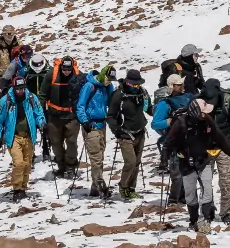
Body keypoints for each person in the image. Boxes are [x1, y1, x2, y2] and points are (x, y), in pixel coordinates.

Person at [163, 92, 230, 231]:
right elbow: (168, 143)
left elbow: (219, 138)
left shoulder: (207, 120)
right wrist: (164, 159)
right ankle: (193, 221)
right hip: (186, 164)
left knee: (207, 191)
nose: (206, 114)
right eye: (203, 112)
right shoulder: (180, 124)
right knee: (190, 196)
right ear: (195, 112)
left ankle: (205, 220)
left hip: (203, 161)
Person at [0, 72, 46, 200]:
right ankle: (16, 189)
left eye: (22, 88)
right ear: (14, 88)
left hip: (29, 136)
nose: (20, 91)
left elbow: (39, 113)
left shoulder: (32, 98)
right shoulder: (6, 100)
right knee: (19, 163)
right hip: (14, 137)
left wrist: (42, 124)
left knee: (27, 164)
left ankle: (23, 188)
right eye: (18, 89)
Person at [201, 77, 230, 222]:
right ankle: (208, 212)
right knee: (206, 184)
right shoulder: (198, 101)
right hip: (204, 148)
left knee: (225, 182)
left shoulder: (227, 100)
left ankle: (225, 213)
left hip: (224, 146)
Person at [76, 64, 117, 198]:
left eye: (111, 79)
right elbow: (80, 105)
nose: (109, 81)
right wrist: (84, 121)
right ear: (103, 75)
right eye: (108, 78)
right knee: (96, 157)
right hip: (91, 124)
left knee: (101, 154)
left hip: (102, 124)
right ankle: (100, 186)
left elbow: (111, 103)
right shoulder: (89, 86)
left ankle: (94, 187)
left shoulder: (108, 87)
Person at [42, 55, 85, 181]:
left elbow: (85, 93)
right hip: (54, 116)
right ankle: (61, 167)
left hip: (72, 116)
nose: (66, 71)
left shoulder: (78, 75)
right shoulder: (52, 74)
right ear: (61, 67)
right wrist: (41, 114)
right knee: (56, 143)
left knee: (72, 143)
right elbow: (43, 94)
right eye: (64, 69)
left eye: (69, 69)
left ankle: (71, 167)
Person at [111, 69, 152, 200]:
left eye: (137, 84)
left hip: (140, 132)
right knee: (130, 162)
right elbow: (111, 116)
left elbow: (148, 108)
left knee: (137, 162)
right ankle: (123, 187)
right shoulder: (119, 95)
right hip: (125, 134)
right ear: (127, 82)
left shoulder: (142, 93)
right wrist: (116, 130)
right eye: (133, 84)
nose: (135, 86)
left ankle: (131, 188)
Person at [151, 71, 191, 168]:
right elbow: (155, 124)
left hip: (191, 141)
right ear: (172, 86)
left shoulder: (188, 97)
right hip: (176, 143)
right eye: (179, 84)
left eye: (182, 83)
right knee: (178, 176)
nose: (182, 86)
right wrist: (168, 122)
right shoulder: (165, 103)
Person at [0, 27, 22, 98]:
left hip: (16, 76)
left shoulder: (18, 43)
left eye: (12, 33)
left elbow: (24, 56)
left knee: (17, 98)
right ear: (3, 34)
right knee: (3, 99)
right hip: (1, 77)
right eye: (8, 34)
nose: (10, 36)